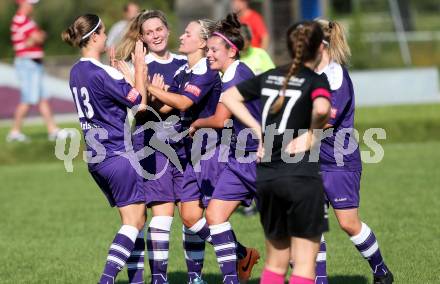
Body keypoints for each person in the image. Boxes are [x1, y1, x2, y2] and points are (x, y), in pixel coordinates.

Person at [222, 21, 331, 284]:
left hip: (268, 177)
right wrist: (311, 135)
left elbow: (229, 98)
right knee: (304, 266)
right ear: (318, 48)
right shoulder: (316, 79)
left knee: (275, 264)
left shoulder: (271, 76)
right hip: (301, 176)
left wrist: (258, 130)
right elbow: (322, 109)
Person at [61, 14, 148, 284]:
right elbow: (140, 105)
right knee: (134, 223)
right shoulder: (105, 72)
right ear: (96, 36)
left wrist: (117, 77)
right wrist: (138, 72)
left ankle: (134, 281)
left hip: (96, 157)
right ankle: (107, 279)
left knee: (133, 222)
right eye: (104, 32)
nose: (107, 36)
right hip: (118, 154)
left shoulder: (76, 71)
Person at [314, 19, 394, 284]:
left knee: (348, 223)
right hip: (310, 159)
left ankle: (380, 270)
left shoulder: (336, 77)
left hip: (338, 160)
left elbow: (327, 120)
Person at [146, 19, 221, 284]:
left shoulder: (207, 70)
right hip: (193, 153)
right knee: (191, 217)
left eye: (187, 33)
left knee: (214, 216)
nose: (181, 37)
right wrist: (144, 89)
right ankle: (236, 255)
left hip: (213, 152)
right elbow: (165, 108)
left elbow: (183, 102)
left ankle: (233, 261)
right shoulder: (182, 73)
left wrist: (147, 85)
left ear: (202, 42)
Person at [116, 10, 187, 284]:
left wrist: (163, 97)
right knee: (162, 214)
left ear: (167, 30)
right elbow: (139, 112)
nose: (156, 35)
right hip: (151, 147)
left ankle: (194, 276)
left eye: (159, 29)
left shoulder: (184, 62)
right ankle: (159, 278)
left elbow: (188, 102)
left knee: (191, 214)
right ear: (142, 38)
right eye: (149, 32)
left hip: (183, 147)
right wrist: (148, 88)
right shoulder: (139, 64)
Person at [188, 13, 260, 283]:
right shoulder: (234, 72)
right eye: (207, 50)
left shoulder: (235, 77)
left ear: (231, 51)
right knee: (215, 215)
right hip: (240, 159)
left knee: (286, 228)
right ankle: (231, 278)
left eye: (214, 50)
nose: (208, 55)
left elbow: (219, 120)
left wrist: (196, 123)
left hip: (261, 159)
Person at [8, 0, 60, 142]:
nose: (33, 6)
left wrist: (36, 37)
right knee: (28, 99)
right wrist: (37, 36)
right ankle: (14, 132)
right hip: (27, 63)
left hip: (33, 64)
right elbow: (37, 37)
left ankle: (52, 130)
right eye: (31, 4)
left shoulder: (27, 21)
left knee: (42, 98)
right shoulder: (20, 20)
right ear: (23, 4)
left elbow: (37, 37)